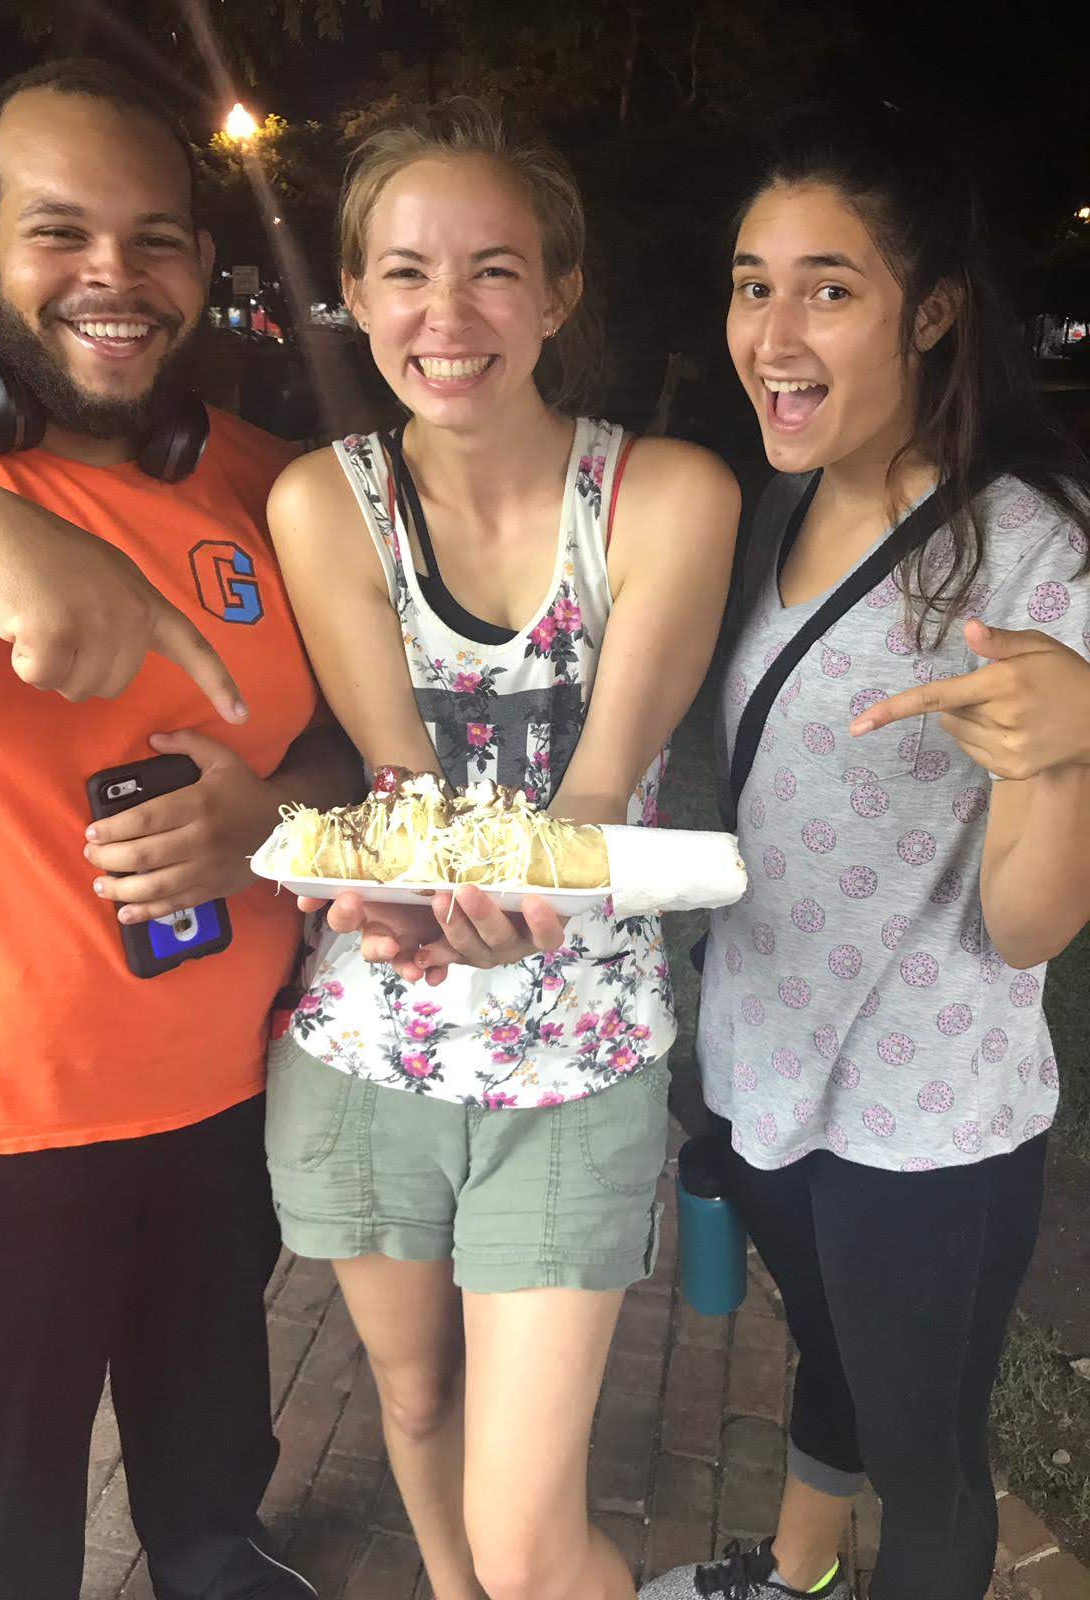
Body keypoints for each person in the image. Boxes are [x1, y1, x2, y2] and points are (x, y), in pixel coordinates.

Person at [0, 58, 361, 1600]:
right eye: (58, 231)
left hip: (235, 1094)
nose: (114, 274)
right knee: (9, 1512)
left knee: (216, 1454)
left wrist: (272, 819)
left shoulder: (273, 490)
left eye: (157, 238)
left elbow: (363, 761)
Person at [264, 103, 740, 1600]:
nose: (446, 315)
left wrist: (490, 892)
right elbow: (401, 788)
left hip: (573, 1060)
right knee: (411, 1400)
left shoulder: (667, 496)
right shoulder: (322, 499)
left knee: (531, 1545)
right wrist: (406, 898)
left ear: (560, 289)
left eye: (492, 270)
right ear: (353, 292)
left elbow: (594, 806)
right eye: (404, 272)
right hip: (366, 1050)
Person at [642, 104, 1090, 1600]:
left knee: (933, 1471)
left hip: (927, 1125)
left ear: (932, 310)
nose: (774, 328)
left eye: (829, 286)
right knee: (825, 1362)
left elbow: (1028, 929)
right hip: (769, 1070)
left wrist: (1069, 746)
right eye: (752, 281)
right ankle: (795, 1576)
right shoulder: (771, 504)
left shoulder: (1033, 548)